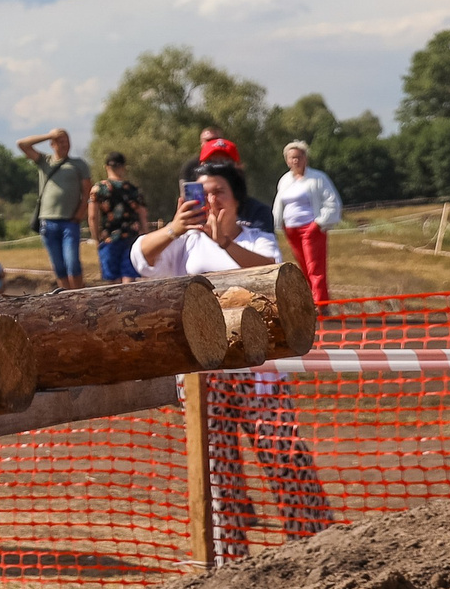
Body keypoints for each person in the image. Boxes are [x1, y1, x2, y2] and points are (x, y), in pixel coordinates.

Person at [132, 164, 334, 557]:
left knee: (283, 455)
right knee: (219, 471)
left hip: (259, 373)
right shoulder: (184, 243)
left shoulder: (258, 239)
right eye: (201, 191)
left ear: (237, 198)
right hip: (207, 376)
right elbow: (139, 257)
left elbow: (273, 276)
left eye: (218, 191)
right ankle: (230, 559)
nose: (209, 199)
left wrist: (226, 242)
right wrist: (175, 227)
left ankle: (314, 544)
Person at [17, 127, 92, 288]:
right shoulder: (44, 161)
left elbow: (87, 192)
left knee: (72, 263)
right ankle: (65, 299)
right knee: (58, 266)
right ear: (52, 144)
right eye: (60, 141)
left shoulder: (78, 164)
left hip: (69, 222)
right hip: (47, 221)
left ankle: (79, 296)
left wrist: (79, 215)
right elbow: (22, 144)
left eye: (67, 141)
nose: (65, 144)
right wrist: (49, 135)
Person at [273, 141, 343, 305]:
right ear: (287, 160)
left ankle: (321, 304)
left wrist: (318, 224)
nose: (295, 161)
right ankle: (310, 302)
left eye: (298, 157)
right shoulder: (285, 180)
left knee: (315, 267)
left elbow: (332, 202)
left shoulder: (318, 178)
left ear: (305, 158)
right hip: (291, 229)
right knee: (303, 267)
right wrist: (280, 223)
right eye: (292, 158)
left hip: (311, 228)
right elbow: (279, 204)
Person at [91, 152, 149, 284]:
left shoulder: (98, 189)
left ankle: (115, 305)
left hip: (109, 238)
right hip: (132, 237)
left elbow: (92, 216)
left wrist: (96, 238)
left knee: (112, 280)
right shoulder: (133, 189)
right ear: (123, 167)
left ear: (106, 167)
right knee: (129, 275)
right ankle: (128, 303)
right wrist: (145, 234)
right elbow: (142, 214)